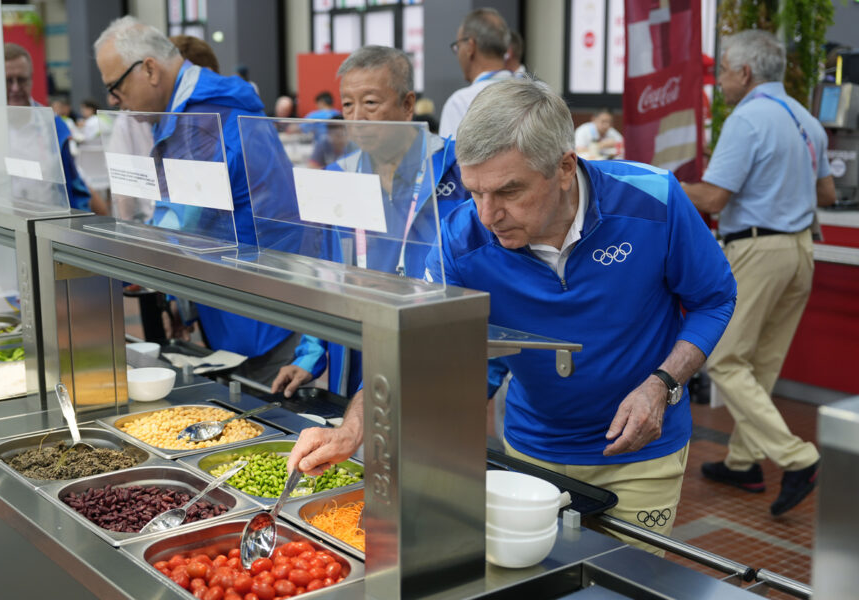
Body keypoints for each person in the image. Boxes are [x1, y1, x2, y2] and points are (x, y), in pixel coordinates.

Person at [288, 78, 738, 553]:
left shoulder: (655, 200)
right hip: (530, 450)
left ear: (565, 167)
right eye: (475, 192)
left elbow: (714, 299)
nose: (488, 214)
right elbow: (413, 342)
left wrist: (662, 385)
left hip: (643, 453)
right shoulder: (460, 238)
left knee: (625, 582)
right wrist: (354, 429)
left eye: (508, 191)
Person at [93, 16, 298, 386]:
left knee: (264, 413)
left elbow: (181, 222)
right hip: (238, 293)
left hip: (259, 304)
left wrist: (118, 260)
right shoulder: (188, 110)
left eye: (115, 86)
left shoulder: (203, 118)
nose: (112, 100)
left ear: (150, 70)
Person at [681, 30, 834, 516]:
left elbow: (712, 198)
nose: (720, 79)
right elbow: (827, 194)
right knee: (761, 363)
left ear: (745, 73)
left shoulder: (747, 119)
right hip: (801, 252)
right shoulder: (809, 121)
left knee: (723, 357)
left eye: (723, 69)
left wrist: (659, 182)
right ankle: (744, 462)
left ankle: (799, 458)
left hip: (758, 250)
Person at [271, 45, 469, 400]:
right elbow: (325, 273)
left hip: (434, 343)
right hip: (358, 345)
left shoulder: (456, 169)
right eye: (348, 104)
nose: (357, 117)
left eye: (371, 103)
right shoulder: (340, 175)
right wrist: (311, 354)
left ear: (408, 105)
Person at [4, 43, 101, 213]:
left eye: (21, 79)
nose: (15, 88)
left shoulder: (52, 126)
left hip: (48, 224)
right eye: (8, 80)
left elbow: (74, 184)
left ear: (31, 79)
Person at [439, 8, 514, 139]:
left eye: (458, 46)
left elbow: (449, 158)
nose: (458, 54)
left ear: (470, 47)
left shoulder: (460, 103)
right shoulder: (537, 93)